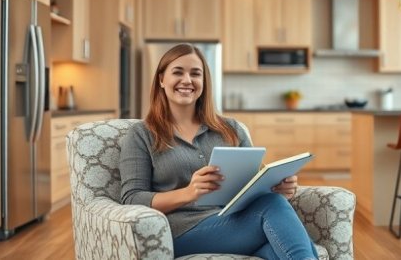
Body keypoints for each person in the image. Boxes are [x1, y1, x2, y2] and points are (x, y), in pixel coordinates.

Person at [119, 43, 318, 259]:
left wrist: (277, 188)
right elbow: (132, 199)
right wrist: (188, 193)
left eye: (196, 74)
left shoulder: (231, 129)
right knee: (274, 210)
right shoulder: (141, 134)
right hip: (180, 232)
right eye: (178, 72)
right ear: (161, 80)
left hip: (234, 223)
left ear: (204, 82)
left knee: (278, 245)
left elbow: (253, 185)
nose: (187, 80)